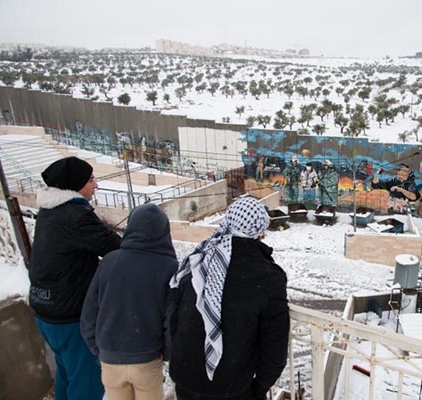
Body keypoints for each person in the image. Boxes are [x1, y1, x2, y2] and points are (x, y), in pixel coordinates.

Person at [169, 196, 289, 400]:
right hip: (230, 387)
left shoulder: (200, 261)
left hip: (186, 380)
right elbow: (274, 349)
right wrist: (257, 389)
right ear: (260, 232)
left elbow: (174, 319)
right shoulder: (267, 277)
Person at [28, 156, 121, 400]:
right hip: (70, 317)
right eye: (91, 180)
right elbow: (113, 246)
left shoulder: (50, 210)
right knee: (88, 381)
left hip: (46, 311)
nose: (96, 185)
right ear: (76, 184)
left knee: (68, 372)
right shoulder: (75, 215)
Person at [80, 203, 178, 400]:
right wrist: (165, 353)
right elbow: (171, 319)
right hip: (147, 360)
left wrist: (100, 348)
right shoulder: (169, 267)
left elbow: (89, 313)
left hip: (110, 360)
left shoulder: (109, 261)